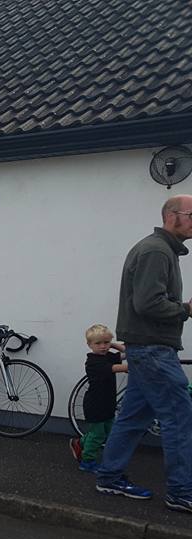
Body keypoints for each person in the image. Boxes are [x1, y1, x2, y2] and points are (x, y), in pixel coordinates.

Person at [95, 195, 192, 511]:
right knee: (180, 417)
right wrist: (186, 309)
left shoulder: (161, 250)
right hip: (153, 349)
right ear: (171, 216)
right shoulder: (156, 251)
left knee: (134, 417)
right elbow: (148, 303)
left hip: (146, 348)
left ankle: (109, 476)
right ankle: (181, 491)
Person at [70, 324, 127, 472]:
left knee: (106, 432)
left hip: (108, 403)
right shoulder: (93, 362)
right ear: (89, 344)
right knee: (97, 435)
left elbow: (128, 353)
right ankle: (87, 461)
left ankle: (80, 443)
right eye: (98, 343)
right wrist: (135, 366)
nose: (103, 346)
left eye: (106, 342)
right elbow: (116, 368)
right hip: (95, 405)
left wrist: (113, 344)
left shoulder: (108, 356)